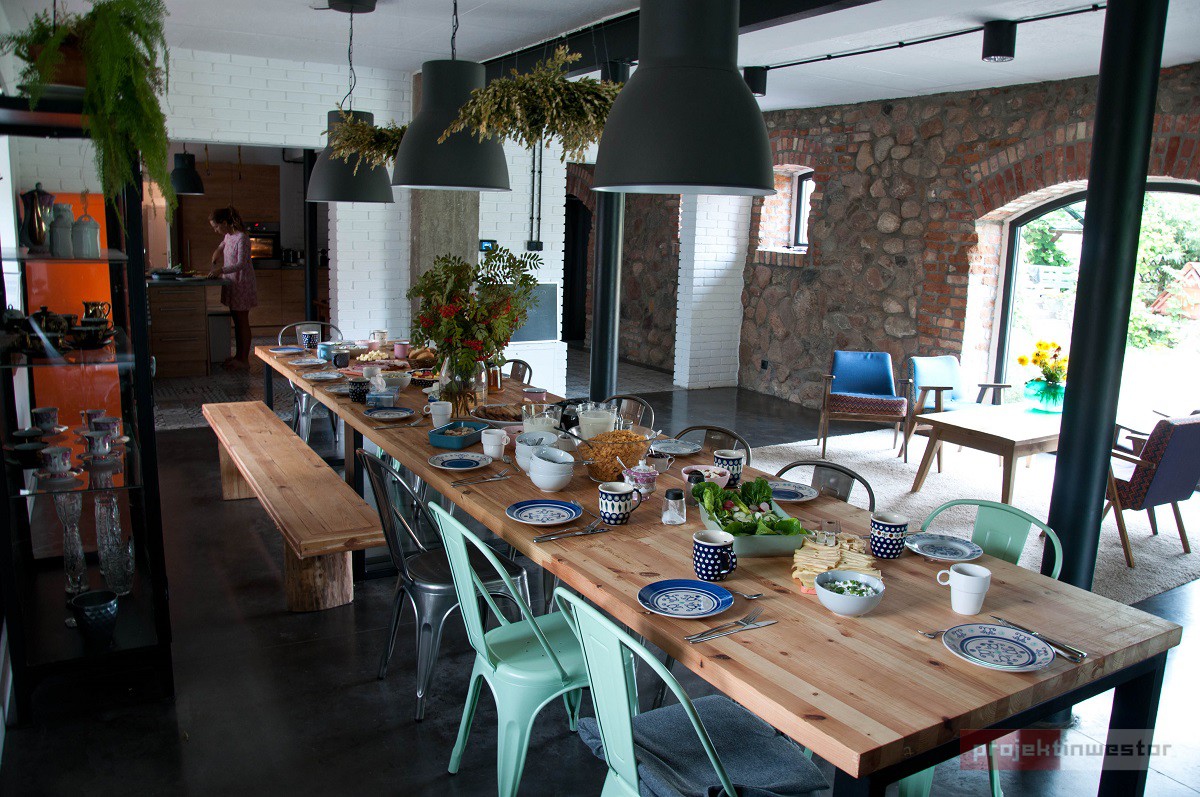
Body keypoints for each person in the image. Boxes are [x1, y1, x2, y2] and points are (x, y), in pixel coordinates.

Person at [206, 206, 257, 370]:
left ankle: (244, 360)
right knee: (236, 320)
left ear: (224, 223)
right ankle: (238, 357)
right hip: (233, 283)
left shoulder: (242, 238)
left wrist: (220, 270)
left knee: (242, 321)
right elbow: (222, 245)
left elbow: (241, 264)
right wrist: (217, 252)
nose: (215, 230)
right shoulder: (228, 236)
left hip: (242, 284)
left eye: (216, 226)